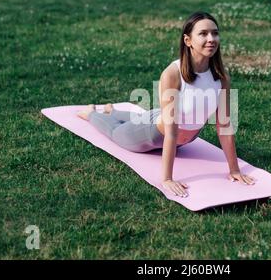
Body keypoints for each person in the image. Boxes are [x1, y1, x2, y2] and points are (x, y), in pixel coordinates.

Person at [77, 11, 255, 197]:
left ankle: (112, 109)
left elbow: (224, 125)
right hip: (151, 135)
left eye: (215, 33)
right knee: (115, 132)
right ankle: (91, 113)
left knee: (141, 117)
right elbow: (171, 132)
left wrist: (234, 170)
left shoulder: (221, 77)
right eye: (203, 34)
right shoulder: (172, 74)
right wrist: (167, 179)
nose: (211, 39)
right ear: (188, 40)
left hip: (175, 131)